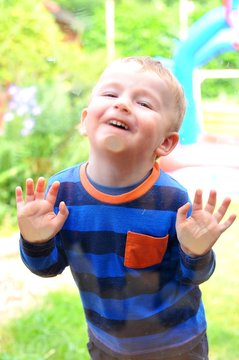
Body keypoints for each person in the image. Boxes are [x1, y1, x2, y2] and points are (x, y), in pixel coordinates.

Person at [16, 56, 236, 360]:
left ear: (166, 143)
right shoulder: (61, 194)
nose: (122, 104)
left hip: (178, 346)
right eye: (110, 94)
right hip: (107, 346)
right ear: (85, 120)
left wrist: (196, 251)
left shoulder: (172, 199)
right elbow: (47, 268)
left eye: (144, 103)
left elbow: (193, 276)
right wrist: (35, 240)